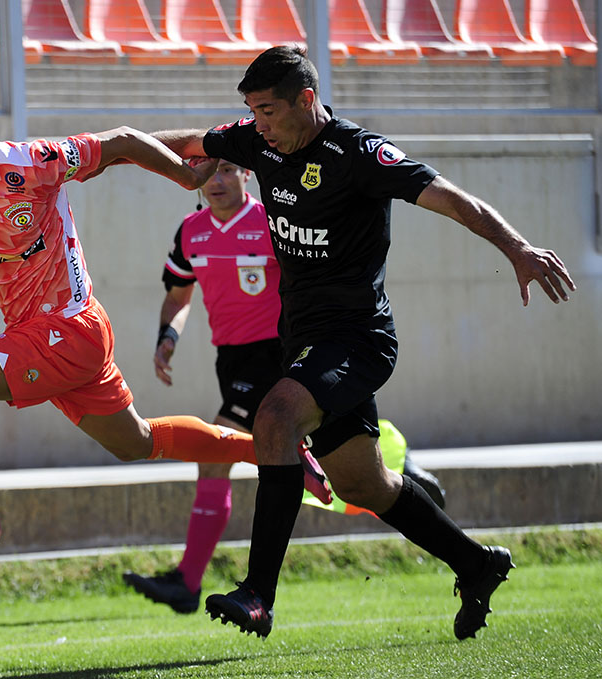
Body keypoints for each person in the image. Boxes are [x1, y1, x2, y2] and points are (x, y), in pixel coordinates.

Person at [150, 46, 575, 642]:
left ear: (306, 99)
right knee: (361, 484)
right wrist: (109, 150)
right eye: (251, 111)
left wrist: (518, 249)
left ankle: (258, 595)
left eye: (268, 110)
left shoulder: (360, 154)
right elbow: (192, 141)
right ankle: (476, 563)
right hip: (304, 343)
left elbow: (452, 198)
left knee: (273, 419)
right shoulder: (260, 142)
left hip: (358, 339)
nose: (259, 124)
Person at [0, 91, 301, 569]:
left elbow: (122, 142)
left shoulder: (30, 163)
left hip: (67, 327)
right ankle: (276, 453)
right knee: (138, 442)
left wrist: (188, 172)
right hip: (44, 337)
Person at [122, 160, 443, 614]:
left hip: (279, 355)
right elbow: (178, 296)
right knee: (334, 466)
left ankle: (189, 582)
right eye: (207, 172)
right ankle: (400, 477)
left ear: (246, 175)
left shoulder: (271, 223)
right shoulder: (190, 232)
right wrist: (166, 339)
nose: (216, 181)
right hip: (231, 362)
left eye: (228, 170)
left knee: (216, 453)